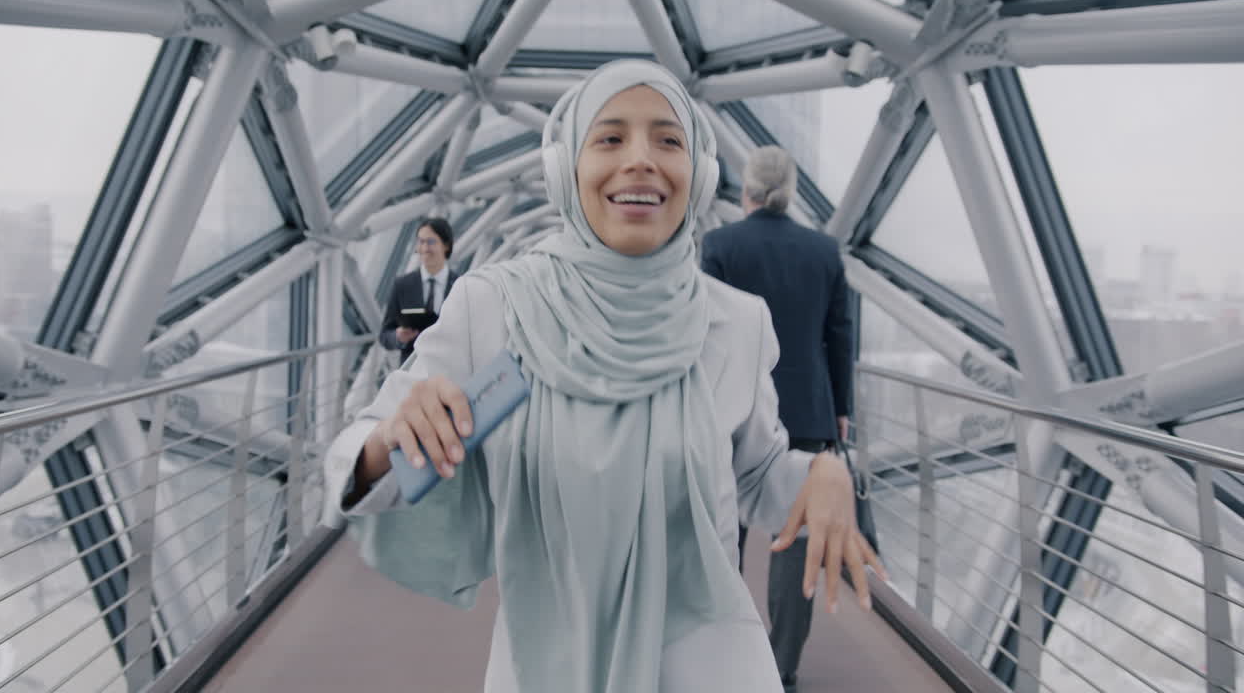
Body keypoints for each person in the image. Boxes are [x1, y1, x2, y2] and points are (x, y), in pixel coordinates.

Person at [323, 60, 882, 693]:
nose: (641, 159)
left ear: (697, 173)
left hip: (710, 662)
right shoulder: (495, 308)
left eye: (668, 140)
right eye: (610, 138)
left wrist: (824, 474)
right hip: (545, 664)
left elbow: (754, 478)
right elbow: (366, 462)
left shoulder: (737, 322)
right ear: (567, 169)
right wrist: (383, 444)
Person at [700, 145, 855, 692]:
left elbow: (704, 331)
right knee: (795, 542)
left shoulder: (719, 246)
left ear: (746, 189)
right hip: (808, 411)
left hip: (734, 407)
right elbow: (839, 336)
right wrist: (840, 410)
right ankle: (782, 665)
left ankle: (721, 653)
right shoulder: (823, 251)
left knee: (724, 534)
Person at [377, 217, 457, 362]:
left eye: (431, 242)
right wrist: (398, 336)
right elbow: (384, 335)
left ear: (446, 245)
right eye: (421, 242)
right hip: (413, 369)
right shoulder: (402, 285)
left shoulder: (460, 285)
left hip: (451, 366)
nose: (425, 248)